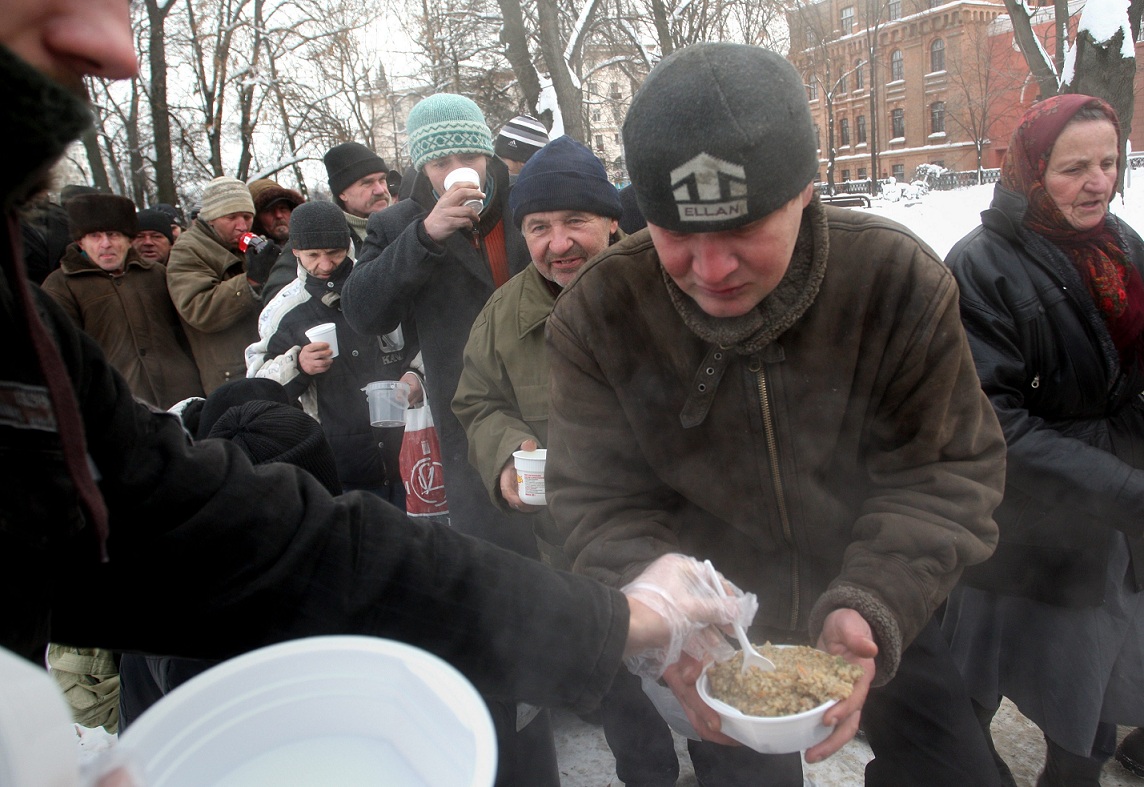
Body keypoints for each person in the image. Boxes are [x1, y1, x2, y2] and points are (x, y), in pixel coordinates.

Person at [0, 10, 752, 787]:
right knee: (522, 671)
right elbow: (374, 323)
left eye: (574, 223)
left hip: (618, 521)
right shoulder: (405, 229)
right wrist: (425, 245)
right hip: (486, 474)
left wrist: (607, 618)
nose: (114, 50)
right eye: (39, 3)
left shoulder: (20, 336)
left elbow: (267, 542)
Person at [545, 43, 1008, 786]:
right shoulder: (601, 313)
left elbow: (945, 471)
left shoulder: (894, 280)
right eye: (678, 236)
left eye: (742, 230)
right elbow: (596, 503)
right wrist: (671, 630)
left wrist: (874, 603)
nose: (713, 268)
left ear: (804, 191)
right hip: (714, 632)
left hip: (878, 588)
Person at [453, 134, 681, 786]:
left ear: (612, 219)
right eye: (539, 226)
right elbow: (475, 401)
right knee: (630, 724)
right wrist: (504, 451)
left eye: (576, 220)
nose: (559, 243)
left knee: (731, 728)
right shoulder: (503, 314)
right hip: (578, 562)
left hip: (686, 551)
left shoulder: (671, 285)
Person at [340, 93, 547, 785]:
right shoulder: (399, 223)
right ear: (421, 166)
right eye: (442, 160)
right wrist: (425, 236)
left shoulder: (530, 200)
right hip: (470, 428)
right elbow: (366, 311)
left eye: (470, 155)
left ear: (490, 153)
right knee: (497, 576)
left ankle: (592, 688)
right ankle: (514, 727)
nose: (460, 171)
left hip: (558, 412)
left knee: (573, 554)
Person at [940, 94, 1144, 787]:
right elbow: (990, 420)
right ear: (1031, 171)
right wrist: (1124, 489)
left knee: (1090, 696)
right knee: (970, 685)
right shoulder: (981, 265)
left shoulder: (1119, 248)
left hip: (1112, 526)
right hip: (1021, 532)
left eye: (1109, 162)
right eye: (1074, 167)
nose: (1098, 182)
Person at [247, 200, 422, 505]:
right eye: (313, 255)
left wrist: (417, 375)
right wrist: (297, 364)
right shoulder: (283, 310)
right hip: (340, 463)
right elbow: (255, 384)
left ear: (348, 246)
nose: (325, 265)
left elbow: (427, 341)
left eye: (334, 253)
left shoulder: (378, 283)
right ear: (295, 252)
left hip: (412, 448)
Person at [41, 193, 203, 409]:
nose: (105, 244)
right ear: (81, 242)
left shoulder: (157, 274)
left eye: (113, 234)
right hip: (118, 407)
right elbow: (62, 357)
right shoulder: (60, 286)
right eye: (95, 236)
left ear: (129, 239)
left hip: (183, 397)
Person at [166, 176, 274, 393]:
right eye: (232, 217)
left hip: (261, 361)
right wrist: (250, 281)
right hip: (231, 374)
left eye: (247, 216)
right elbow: (199, 308)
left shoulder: (243, 243)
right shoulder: (188, 250)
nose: (242, 226)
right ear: (212, 218)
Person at [261, 142, 391, 303]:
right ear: (342, 193)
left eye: (382, 180)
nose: (380, 190)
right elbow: (277, 297)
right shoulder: (317, 232)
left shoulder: (404, 221)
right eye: (367, 183)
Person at [248, 177, 303, 245]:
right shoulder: (249, 253)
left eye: (283, 208)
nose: (278, 215)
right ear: (256, 220)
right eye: (269, 210)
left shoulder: (313, 242)